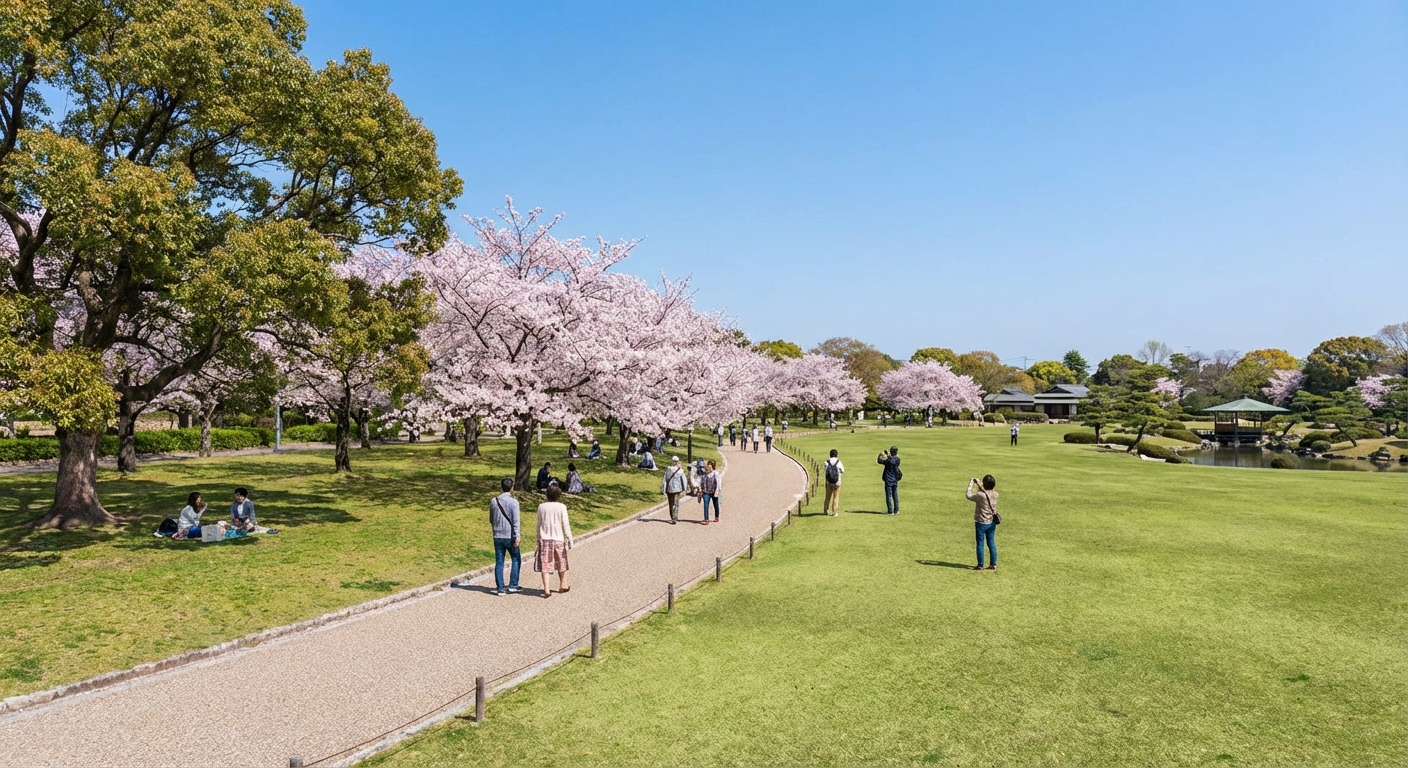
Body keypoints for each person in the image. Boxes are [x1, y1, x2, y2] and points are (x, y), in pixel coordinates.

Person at [534, 485, 573, 597]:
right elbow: (565, 524)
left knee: (545, 564)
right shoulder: (562, 507)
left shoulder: (541, 507)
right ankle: (563, 584)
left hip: (545, 539)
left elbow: (539, 524)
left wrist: (537, 539)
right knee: (562, 562)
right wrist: (569, 538)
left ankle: (546, 589)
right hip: (558, 538)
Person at [489, 478, 522, 594]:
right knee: (516, 559)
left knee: (499, 561)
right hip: (510, 536)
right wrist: (517, 536)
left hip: (497, 535)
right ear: (511, 488)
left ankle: (500, 587)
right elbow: (516, 521)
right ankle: (513, 584)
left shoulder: (494, 501)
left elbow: (491, 519)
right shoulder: (514, 502)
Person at [967, 475, 999, 571]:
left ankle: (980, 565)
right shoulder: (996, 494)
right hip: (991, 522)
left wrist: (972, 483)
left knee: (980, 543)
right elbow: (987, 492)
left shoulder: (980, 495)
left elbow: (968, 495)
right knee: (991, 543)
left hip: (981, 523)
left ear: (984, 484)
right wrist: (980, 485)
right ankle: (993, 564)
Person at [661, 455, 691, 524]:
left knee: (671, 503)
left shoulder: (669, 469)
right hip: (678, 489)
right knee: (676, 503)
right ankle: (675, 517)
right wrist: (685, 488)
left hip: (669, 489)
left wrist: (663, 488)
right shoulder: (680, 470)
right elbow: (684, 480)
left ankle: (672, 517)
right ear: (677, 462)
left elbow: (665, 479)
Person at [877, 445, 901, 515]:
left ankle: (890, 511)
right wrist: (889, 455)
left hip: (888, 479)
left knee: (889, 495)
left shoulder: (888, 461)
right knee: (895, 494)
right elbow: (894, 459)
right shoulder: (897, 459)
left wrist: (880, 455)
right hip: (895, 479)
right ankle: (896, 510)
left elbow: (879, 461)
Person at [698, 459, 721, 524]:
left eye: (711, 467)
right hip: (706, 492)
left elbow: (718, 482)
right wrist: (699, 488)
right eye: (708, 466)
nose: (709, 468)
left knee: (716, 505)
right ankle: (706, 519)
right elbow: (700, 481)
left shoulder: (715, 473)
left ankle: (717, 516)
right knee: (706, 505)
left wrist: (717, 490)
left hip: (713, 491)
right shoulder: (703, 473)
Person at [823, 449, 844, 516]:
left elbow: (826, 471)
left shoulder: (826, 462)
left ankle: (826, 510)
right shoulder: (839, 462)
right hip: (837, 482)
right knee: (836, 497)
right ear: (836, 455)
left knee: (827, 496)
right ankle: (834, 512)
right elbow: (842, 470)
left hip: (828, 482)